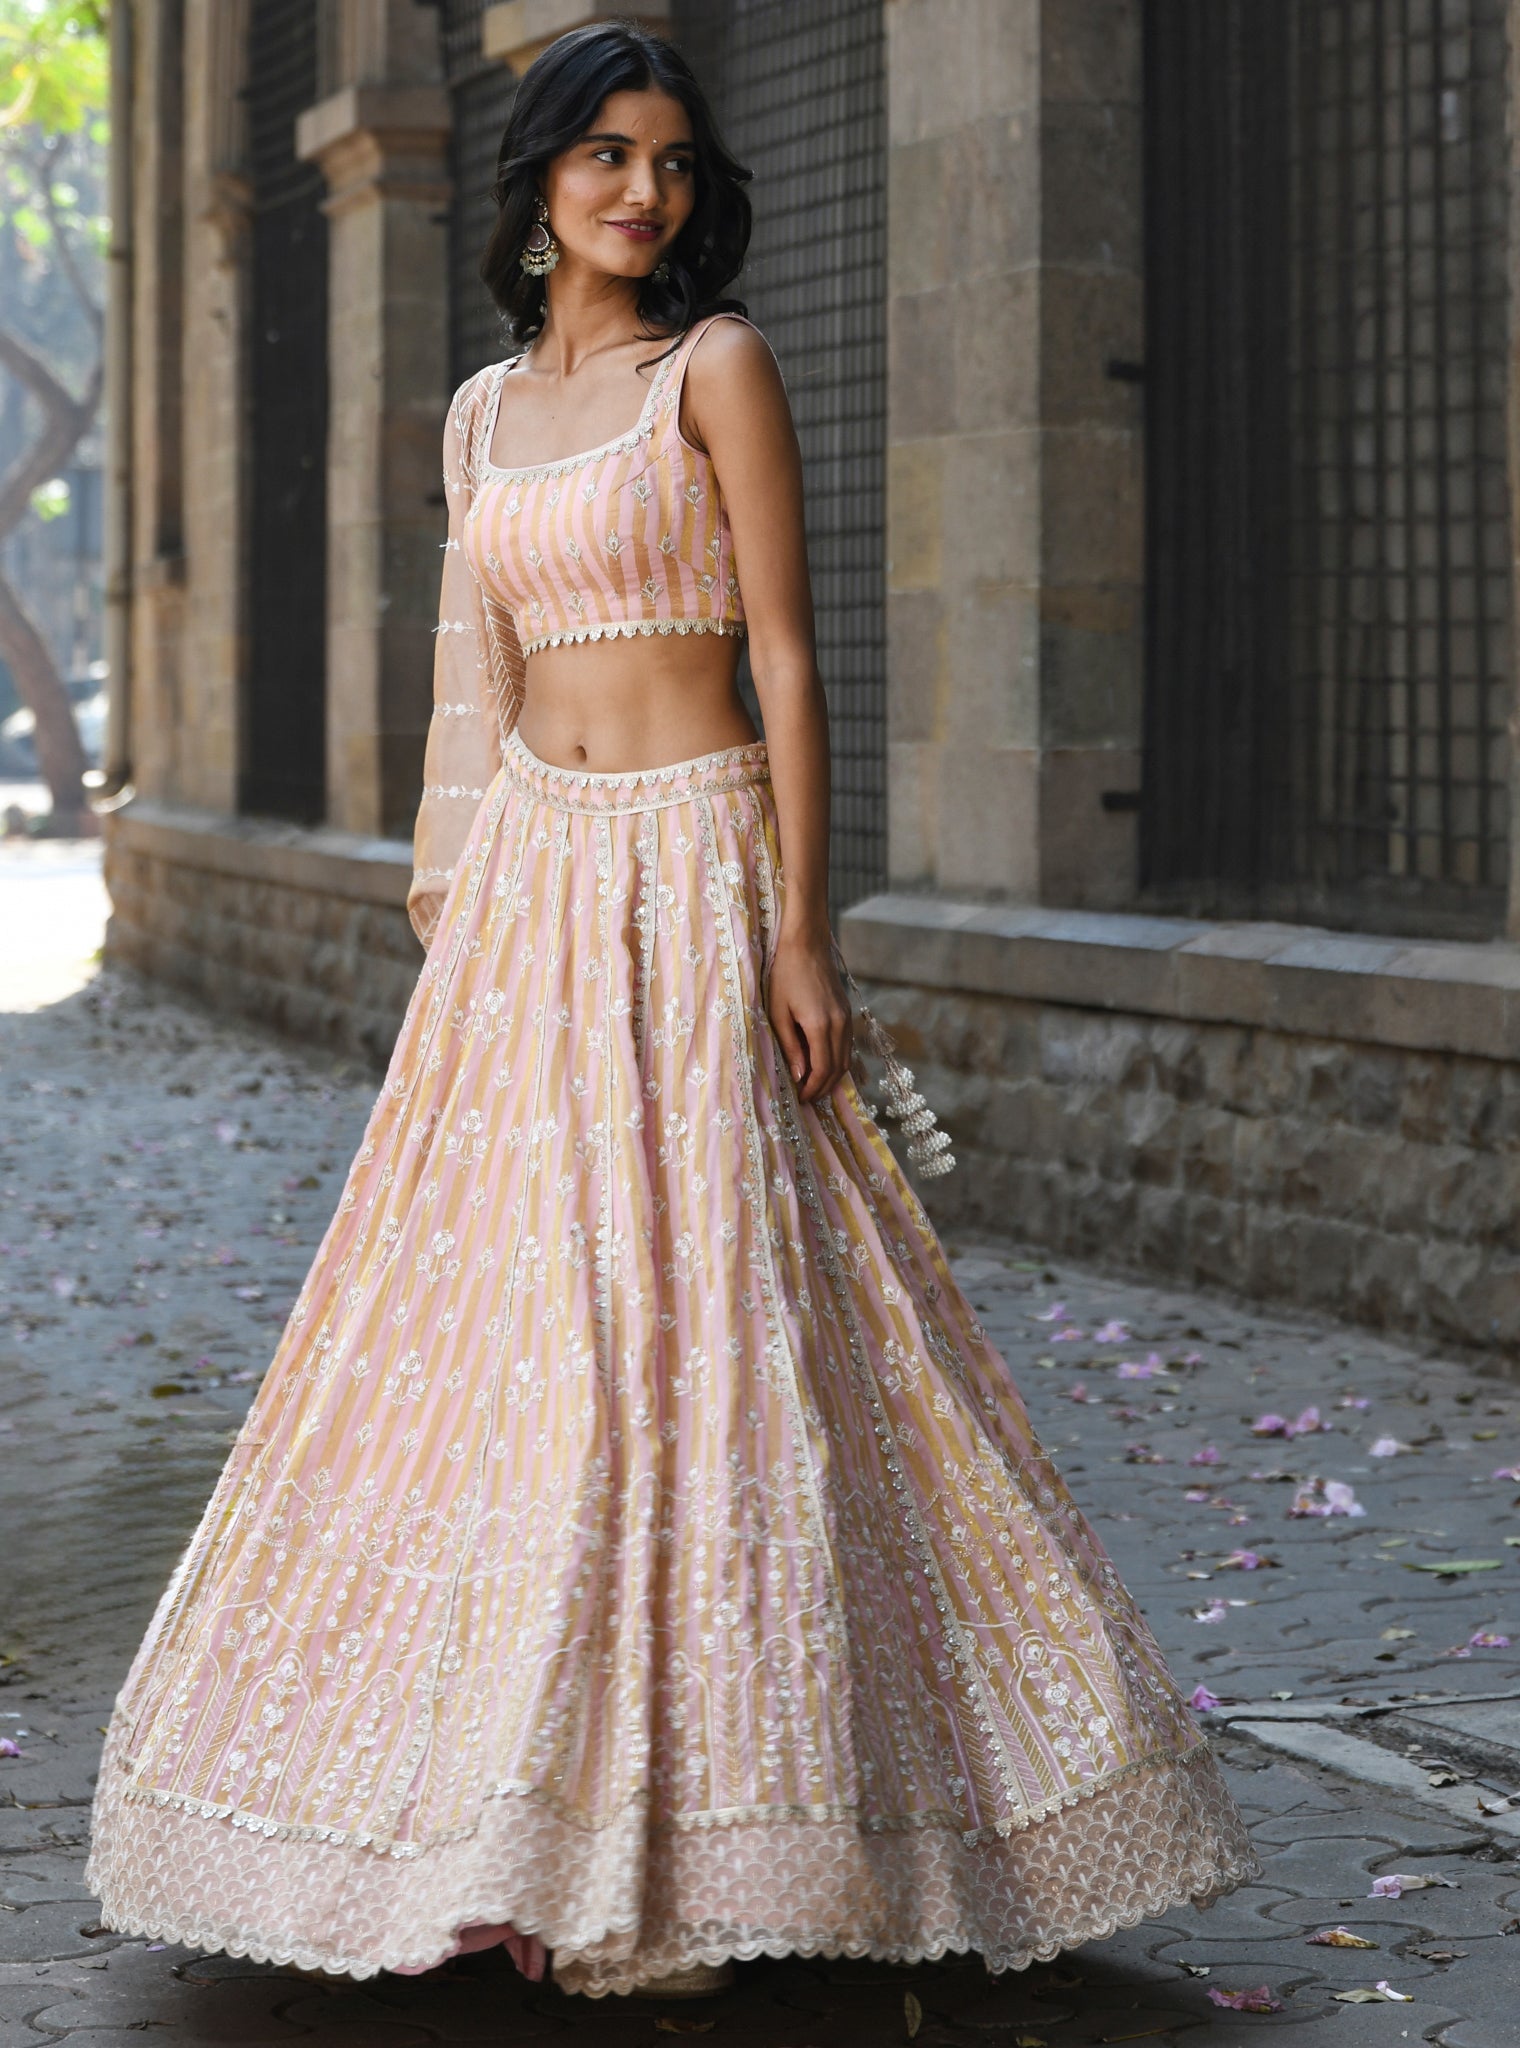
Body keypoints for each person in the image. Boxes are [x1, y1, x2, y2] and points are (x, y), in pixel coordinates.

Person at [85, 21, 1258, 2001]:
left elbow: (790, 659)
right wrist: (457, 927)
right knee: (529, 1333)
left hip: (697, 864)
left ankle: (722, 1839)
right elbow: (472, 685)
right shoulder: (475, 419)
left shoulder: (713, 371)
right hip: (535, 897)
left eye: (673, 164)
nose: (644, 192)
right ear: (537, 177)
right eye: (607, 156)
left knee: (712, 1319)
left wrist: (805, 931)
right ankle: (509, 1823)